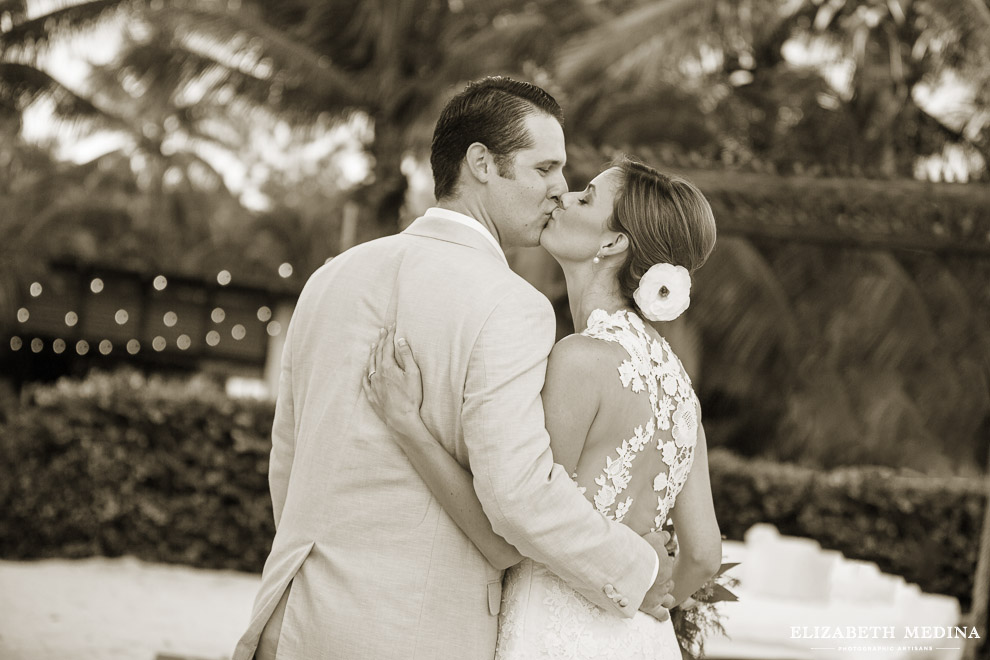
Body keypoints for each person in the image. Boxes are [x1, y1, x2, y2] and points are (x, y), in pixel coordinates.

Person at [231, 76, 676, 660]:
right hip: (410, 634)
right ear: (481, 163)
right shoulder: (512, 306)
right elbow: (518, 495)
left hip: (287, 619)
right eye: (544, 169)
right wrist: (636, 568)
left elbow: (287, 461)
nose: (559, 190)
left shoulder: (331, 277)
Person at [365, 156, 722, 659]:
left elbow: (507, 532)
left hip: (553, 638)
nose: (564, 196)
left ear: (612, 242)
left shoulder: (579, 360)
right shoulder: (682, 389)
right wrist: (650, 598)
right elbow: (704, 556)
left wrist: (408, 425)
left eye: (587, 197)